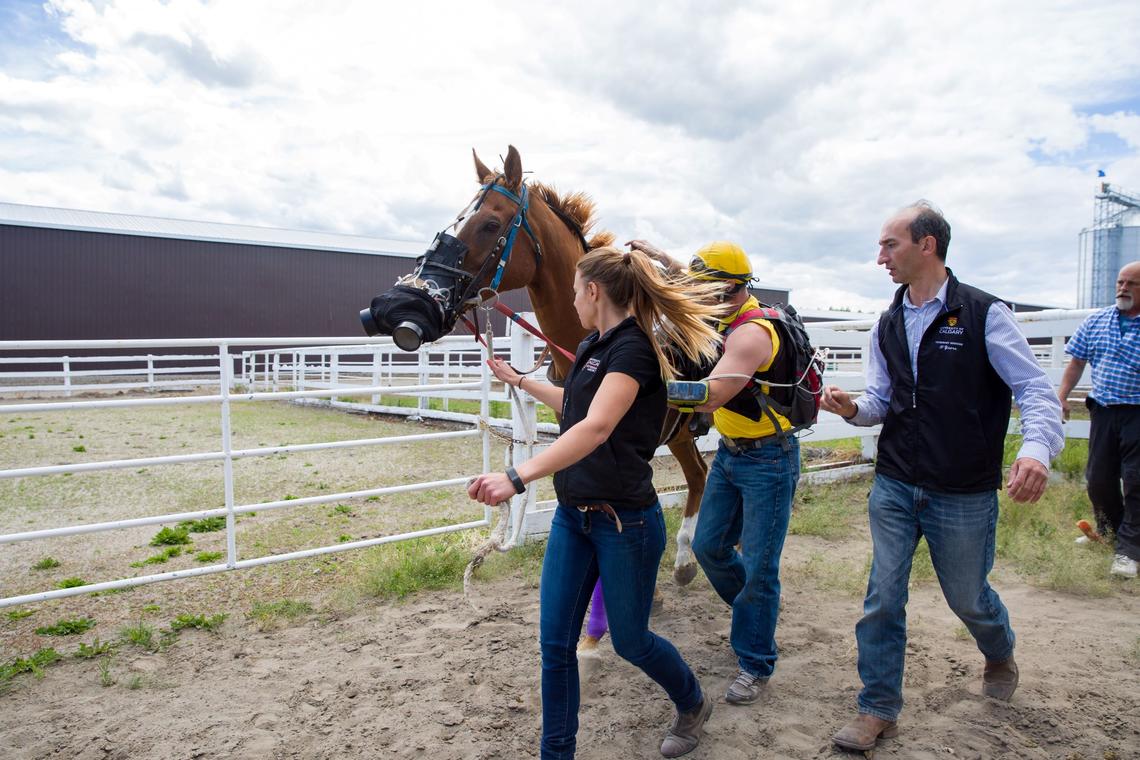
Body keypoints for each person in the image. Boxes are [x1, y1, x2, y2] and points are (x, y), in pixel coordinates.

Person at [819, 201, 1064, 752]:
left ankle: (998, 652)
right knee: (883, 595)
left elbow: (1033, 390)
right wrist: (851, 410)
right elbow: (883, 402)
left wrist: (1036, 451)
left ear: (926, 245)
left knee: (968, 597)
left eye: (890, 244)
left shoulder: (984, 314)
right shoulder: (886, 323)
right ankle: (877, 706)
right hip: (896, 482)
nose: (880, 256)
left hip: (963, 488)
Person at [468, 245, 724, 759]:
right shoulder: (593, 345)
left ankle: (693, 702)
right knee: (555, 647)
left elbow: (598, 425)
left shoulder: (634, 350)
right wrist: (520, 380)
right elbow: (578, 404)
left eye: (574, 291)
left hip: (624, 523)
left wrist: (517, 477)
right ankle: (556, 753)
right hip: (573, 519)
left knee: (632, 642)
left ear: (593, 291)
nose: (572, 300)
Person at [633, 238, 803, 707]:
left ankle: (755, 662)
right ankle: (754, 614)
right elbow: (685, 280)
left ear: (729, 289)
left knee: (761, 569)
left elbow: (707, 397)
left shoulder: (750, 333)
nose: (696, 297)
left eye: (705, 290)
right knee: (709, 547)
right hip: (731, 454)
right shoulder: (726, 308)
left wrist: (636, 386)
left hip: (769, 460)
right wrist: (658, 255)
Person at [1057, 261, 1140, 578]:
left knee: (1136, 481)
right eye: (1120, 282)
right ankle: (1108, 533)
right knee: (1099, 479)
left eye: (1131, 283)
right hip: (1104, 410)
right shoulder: (1099, 321)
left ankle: (1129, 552)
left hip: (1137, 411)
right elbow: (1076, 362)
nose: (1123, 288)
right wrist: (1062, 395)